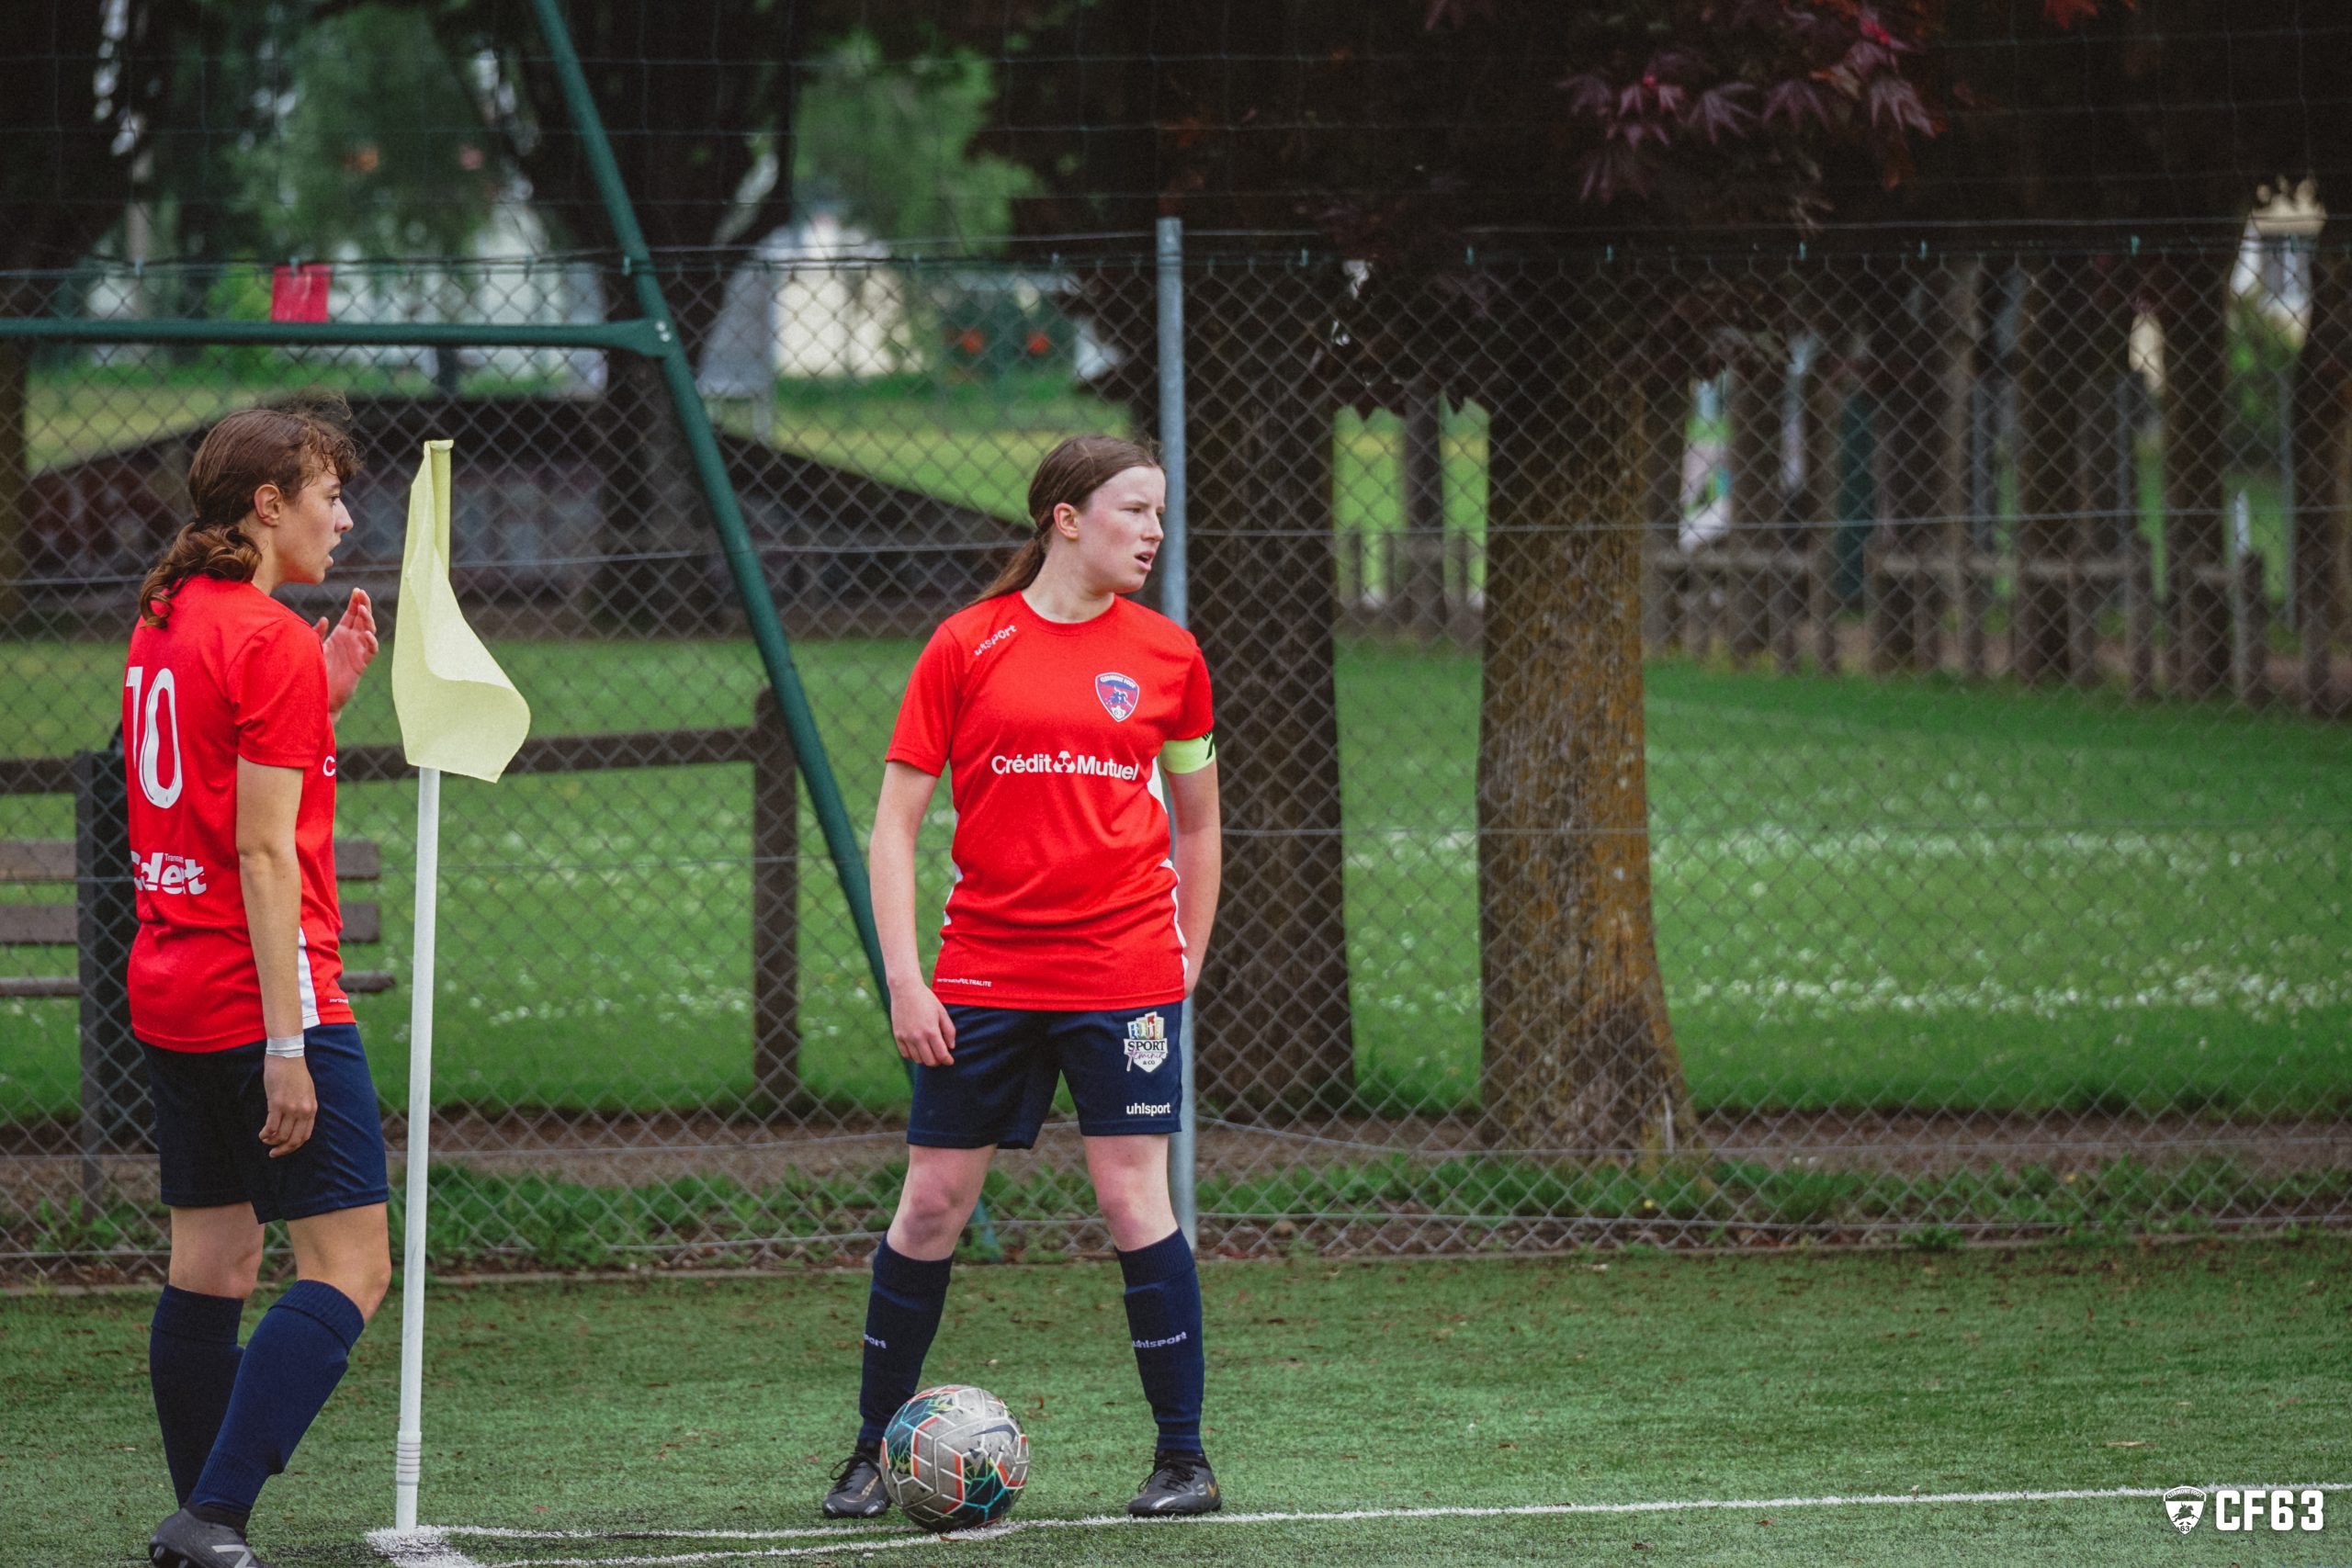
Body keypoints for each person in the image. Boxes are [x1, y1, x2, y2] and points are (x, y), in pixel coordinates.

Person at [821, 434, 1225, 1520]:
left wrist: (1181, 959)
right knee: (930, 1206)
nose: (1152, 531)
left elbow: (1198, 824)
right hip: (984, 973)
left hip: (1123, 973)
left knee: (1132, 1198)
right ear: (1066, 518)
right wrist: (907, 980)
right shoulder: (967, 643)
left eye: (1158, 512)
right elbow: (894, 823)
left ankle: (1183, 1461)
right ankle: (869, 1452)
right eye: (1133, 510)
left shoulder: (1169, 656)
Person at [127, 402, 390, 1568]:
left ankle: (200, 1519)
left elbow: (212, 778)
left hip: (171, 983)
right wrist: (290, 1044)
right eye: (329, 494)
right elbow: (264, 852)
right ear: (267, 505)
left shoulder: (168, 614)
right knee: (352, 1267)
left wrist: (317, 697)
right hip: (261, 996)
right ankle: (217, 1513)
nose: (347, 517)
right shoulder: (265, 634)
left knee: (214, 1263)